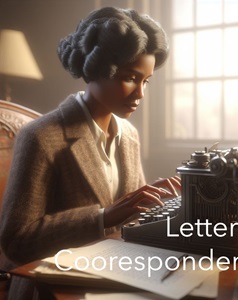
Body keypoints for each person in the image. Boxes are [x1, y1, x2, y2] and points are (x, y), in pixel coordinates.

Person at [0, 6, 180, 269]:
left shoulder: (128, 134)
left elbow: (131, 219)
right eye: (130, 78)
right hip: (53, 282)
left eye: (146, 81)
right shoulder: (40, 136)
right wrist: (101, 217)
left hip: (119, 271)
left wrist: (159, 201)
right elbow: (16, 242)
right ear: (96, 69)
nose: (140, 94)